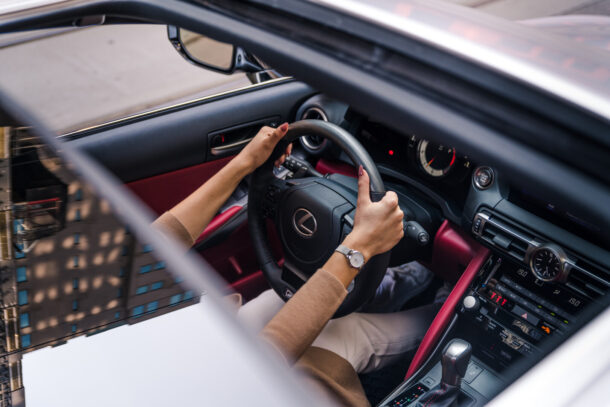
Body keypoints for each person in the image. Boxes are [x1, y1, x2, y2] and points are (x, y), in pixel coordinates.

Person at [153, 123, 439, 407]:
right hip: (235, 389)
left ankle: (399, 284)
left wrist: (245, 163)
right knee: (345, 333)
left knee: (280, 299)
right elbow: (256, 367)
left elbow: (154, 246)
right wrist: (358, 247)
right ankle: (440, 319)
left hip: (200, 353)